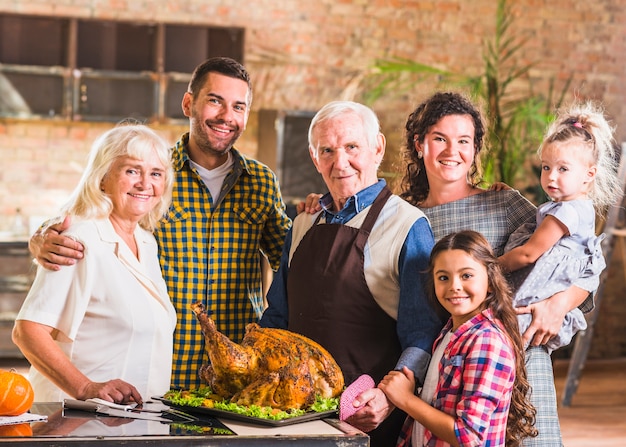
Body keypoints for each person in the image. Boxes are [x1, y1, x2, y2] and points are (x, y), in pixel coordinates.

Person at [27, 57, 292, 390]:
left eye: (238, 106)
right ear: (188, 103)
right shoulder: (154, 171)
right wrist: (42, 236)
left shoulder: (261, 182)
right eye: (215, 101)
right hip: (163, 372)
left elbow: (292, 259)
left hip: (236, 375)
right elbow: (90, 206)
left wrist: (321, 214)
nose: (227, 116)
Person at [400, 91, 591, 447]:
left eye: (463, 141)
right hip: (444, 371)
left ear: (474, 150)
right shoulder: (401, 216)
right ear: (419, 143)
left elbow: (583, 261)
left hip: (522, 361)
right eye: (439, 138)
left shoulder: (503, 203)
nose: (451, 151)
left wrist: (559, 305)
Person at [259, 100, 444, 446]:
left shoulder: (408, 225)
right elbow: (278, 318)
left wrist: (390, 396)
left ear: (377, 148)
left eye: (352, 147)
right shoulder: (301, 223)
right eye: (327, 150)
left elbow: (423, 333)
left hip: (367, 420)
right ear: (315, 158)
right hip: (295, 418)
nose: (339, 162)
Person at [12, 124, 176, 403]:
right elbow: (28, 331)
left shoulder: (146, 242)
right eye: (132, 170)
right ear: (102, 179)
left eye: (156, 173)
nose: (145, 183)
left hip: (131, 422)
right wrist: (86, 388)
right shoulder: (80, 238)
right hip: (74, 421)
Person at [380, 230, 537, 447]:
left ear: (490, 281)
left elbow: (468, 437)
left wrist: (406, 400)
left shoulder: (486, 342)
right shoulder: (450, 332)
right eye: (443, 277)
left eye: (466, 275)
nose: (454, 286)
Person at [499, 101, 621, 354]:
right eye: (546, 167)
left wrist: (491, 267)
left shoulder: (565, 212)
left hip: (535, 296)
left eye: (563, 169)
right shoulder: (578, 207)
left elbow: (528, 253)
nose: (551, 176)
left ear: (589, 174)